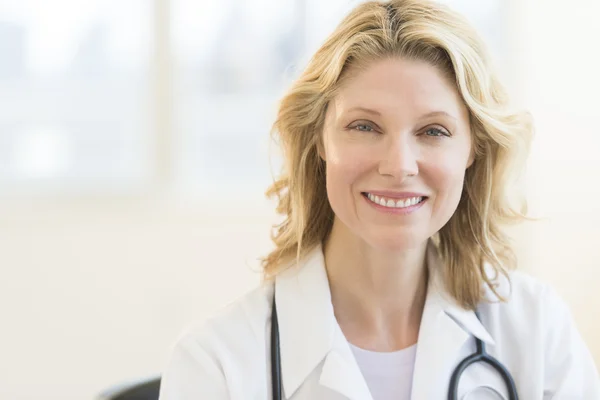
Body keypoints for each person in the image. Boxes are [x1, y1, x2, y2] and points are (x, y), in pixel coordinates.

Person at [158, 0, 600, 399]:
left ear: (473, 150)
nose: (399, 165)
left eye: (433, 131)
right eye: (364, 126)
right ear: (319, 140)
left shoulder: (537, 331)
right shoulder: (216, 365)